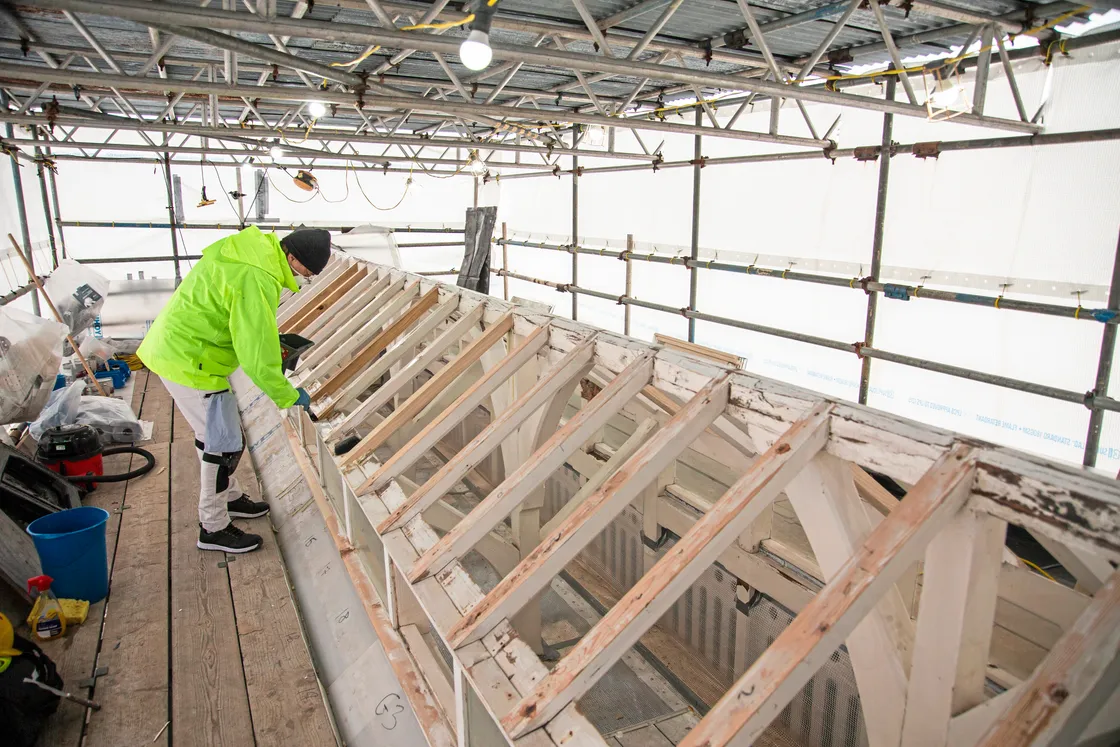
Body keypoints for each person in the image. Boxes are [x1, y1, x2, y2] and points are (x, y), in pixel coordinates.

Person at [137, 226, 331, 553]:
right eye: (306, 272)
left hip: (187, 350)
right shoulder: (257, 276)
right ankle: (213, 527)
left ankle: (228, 498)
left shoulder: (251, 252)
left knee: (219, 436)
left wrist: (268, 343)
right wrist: (289, 396)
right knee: (223, 444)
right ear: (292, 257)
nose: (302, 279)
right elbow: (256, 355)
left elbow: (240, 322)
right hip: (190, 360)